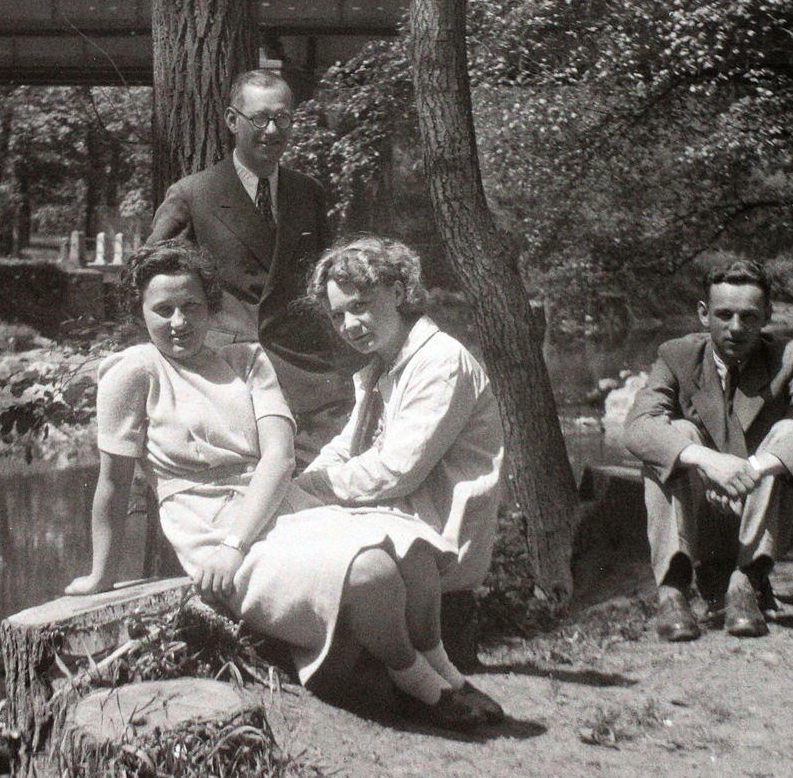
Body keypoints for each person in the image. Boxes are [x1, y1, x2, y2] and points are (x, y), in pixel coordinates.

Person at [66, 241, 490, 732]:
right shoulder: (132, 373)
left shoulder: (247, 360)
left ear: (211, 307)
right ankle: (417, 683)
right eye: (163, 310)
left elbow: (279, 456)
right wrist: (102, 574)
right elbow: (113, 484)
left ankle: (445, 672)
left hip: (271, 507)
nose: (179, 322)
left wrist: (240, 539)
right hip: (209, 523)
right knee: (371, 572)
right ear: (139, 312)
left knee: (412, 550)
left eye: (191, 307)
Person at [294, 235, 506, 722]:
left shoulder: (440, 361)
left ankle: (423, 681)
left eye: (362, 306)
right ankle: (430, 677)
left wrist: (309, 491)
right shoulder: (380, 369)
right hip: (399, 523)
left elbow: (395, 471)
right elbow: (346, 447)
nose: (350, 324)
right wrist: (298, 485)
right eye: (338, 314)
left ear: (399, 291)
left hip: (437, 544)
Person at [624, 259, 793, 641]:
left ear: (767, 317)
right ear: (703, 314)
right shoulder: (676, 357)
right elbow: (638, 427)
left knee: (788, 431)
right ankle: (673, 592)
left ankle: (746, 583)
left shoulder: (788, 360)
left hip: (765, 516)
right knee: (673, 434)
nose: (736, 328)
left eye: (749, 316)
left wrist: (756, 466)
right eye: (724, 314)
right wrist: (707, 459)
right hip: (698, 514)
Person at [149, 68, 357, 459]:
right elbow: (149, 286)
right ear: (233, 120)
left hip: (304, 377)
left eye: (283, 118)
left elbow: (329, 285)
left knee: (314, 497)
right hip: (224, 376)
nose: (273, 130)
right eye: (260, 118)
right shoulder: (194, 194)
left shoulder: (308, 193)